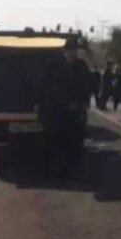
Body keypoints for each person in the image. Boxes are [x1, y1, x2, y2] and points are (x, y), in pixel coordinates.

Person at [37, 37, 89, 177]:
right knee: (56, 142)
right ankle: (57, 170)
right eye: (71, 50)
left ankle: (72, 170)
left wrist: (82, 104)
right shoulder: (55, 67)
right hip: (57, 112)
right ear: (65, 51)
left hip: (75, 113)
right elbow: (45, 87)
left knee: (75, 143)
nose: (73, 53)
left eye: (75, 50)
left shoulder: (81, 67)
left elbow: (86, 87)